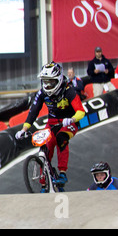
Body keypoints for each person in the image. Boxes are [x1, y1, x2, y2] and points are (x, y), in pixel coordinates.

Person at [15, 62, 85, 192]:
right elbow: (33, 112)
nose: (47, 85)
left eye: (50, 82)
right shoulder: (42, 93)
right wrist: (23, 129)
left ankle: (62, 173)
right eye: (45, 82)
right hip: (52, 122)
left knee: (61, 138)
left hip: (68, 123)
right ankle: (44, 182)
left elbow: (81, 111)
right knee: (45, 146)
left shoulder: (69, 90)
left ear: (58, 80)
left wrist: (72, 119)